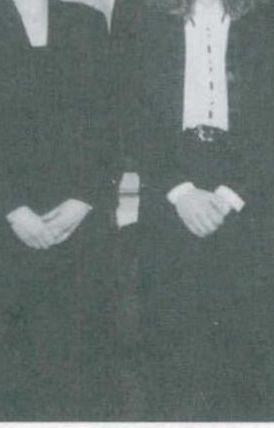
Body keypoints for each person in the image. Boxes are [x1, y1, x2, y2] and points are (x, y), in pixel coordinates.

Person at [113, 0, 274, 419]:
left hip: (253, 190)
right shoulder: (136, 8)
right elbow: (126, 106)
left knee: (252, 353)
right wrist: (179, 190)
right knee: (169, 351)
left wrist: (233, 193)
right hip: (170, 185)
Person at [0, 0, 116, 420]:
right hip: (7, 229)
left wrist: (84, 199)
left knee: (81, 377)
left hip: (80, 227)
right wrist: (12, 209)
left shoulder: (87, 22)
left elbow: (112, 122)